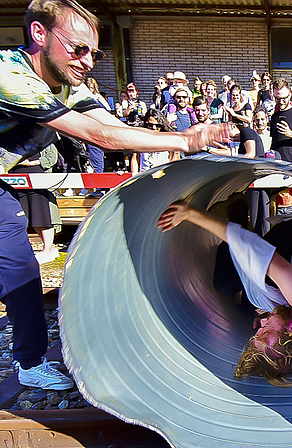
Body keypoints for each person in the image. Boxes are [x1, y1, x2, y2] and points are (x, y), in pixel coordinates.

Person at [0, 0, 235, 390]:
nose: (89, 61)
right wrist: (185, 138)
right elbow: (98, 137)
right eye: (78, 49)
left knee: (19, 267)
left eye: (95, 52)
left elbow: (115, 128)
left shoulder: (67, 88)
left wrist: (189, 148)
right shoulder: (9, 74)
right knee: (17, 267)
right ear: (39, 34)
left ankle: (29, 361)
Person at [156, 203, 292, 385]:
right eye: (267, 333)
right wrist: (191, 213)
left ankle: (236, 226)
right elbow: (255, 250)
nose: (261, 325)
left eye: (258, 333)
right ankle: (236, 219)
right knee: (225, 284)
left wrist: (270, 319)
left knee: (251, 304)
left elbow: (283, 317)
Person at [131, 108, 176, 173]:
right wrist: (134, 176)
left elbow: (173, 160)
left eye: (157, 125)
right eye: (150, 125)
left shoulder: (168, 139)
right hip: (144, 176)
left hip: (162, 177)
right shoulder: (140, 139)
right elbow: (135, 159)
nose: (154, 128)